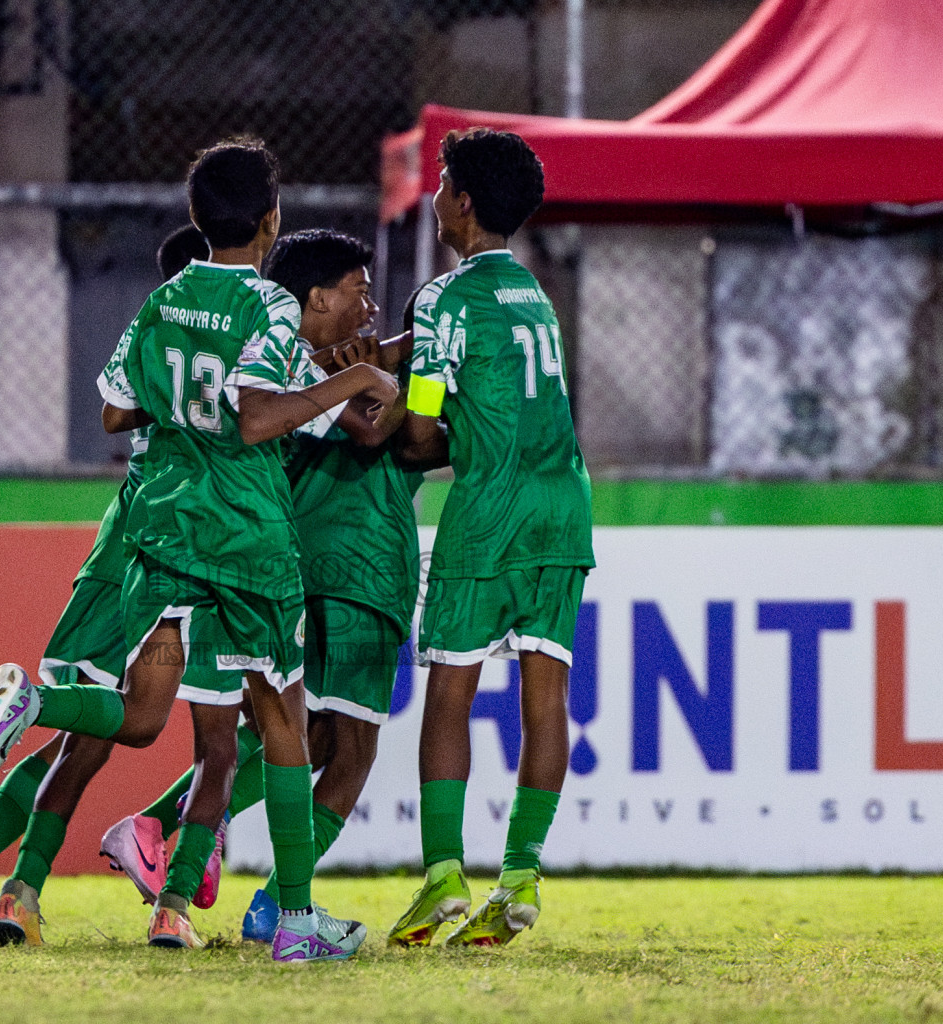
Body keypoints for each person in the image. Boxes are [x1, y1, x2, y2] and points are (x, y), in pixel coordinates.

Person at [0, 139, 399, 961]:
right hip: (245, 540)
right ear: (270, 222)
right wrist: (354, 382)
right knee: (281, 721)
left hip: (163, 536)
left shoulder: (162, 303)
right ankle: (297, 923)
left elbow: (116, 415)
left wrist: (184, 408)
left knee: (137, 713)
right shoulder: (269, 308)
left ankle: (33, 705)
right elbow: (257, 419)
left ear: (198, 220)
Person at [0, 224, 239, 947]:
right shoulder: (227, 339)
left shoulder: (155, 342)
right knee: (165, 726)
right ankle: (41, 723)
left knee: (82, 748)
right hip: (173, 549)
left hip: (124, 542)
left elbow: (114, 415)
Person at [101, 230, 429, 943]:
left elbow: (120, 412)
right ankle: (286, 906)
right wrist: (407, 377)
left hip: (256, 554)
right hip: (352, 567)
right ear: (316, 297)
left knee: (257, 737)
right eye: (359, 291)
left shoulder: (257, 351)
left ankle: (174, 877)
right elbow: (399, 437)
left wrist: (375, 361)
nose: (370, 307)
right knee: (345, 749)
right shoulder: (295, 364)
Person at [387, 127, 594, 948]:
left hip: (490, 509)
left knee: (451, 692)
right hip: (564, 508)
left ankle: (442, 874)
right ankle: (522, 875)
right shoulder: (533, 295)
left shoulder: (444, 299)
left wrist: (379, 410)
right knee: (548, 700)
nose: (436, 197)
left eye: (441, 185)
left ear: (462, 204)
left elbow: (421, 429)